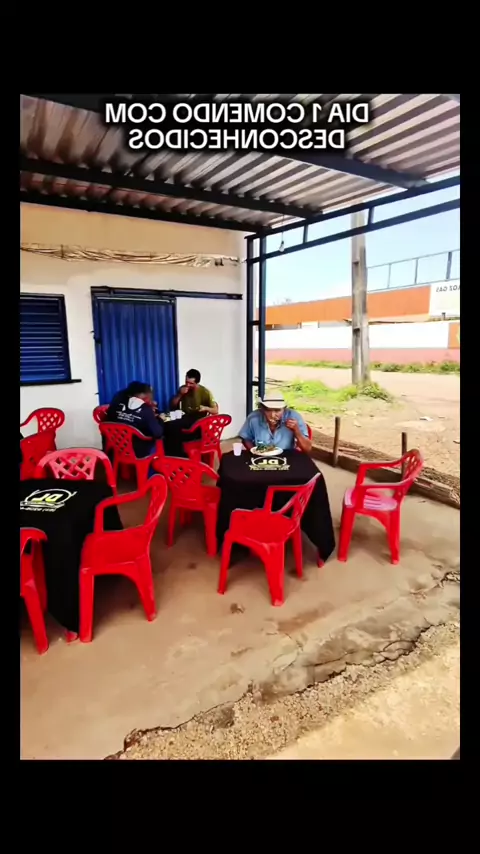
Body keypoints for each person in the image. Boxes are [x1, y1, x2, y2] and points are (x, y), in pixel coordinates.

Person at [105, 381, 164, 458]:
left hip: (115, 448)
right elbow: (157, 433)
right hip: (136, 452)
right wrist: (160, 419)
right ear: (145, 396)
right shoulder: (146, 410)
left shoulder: (116, 404)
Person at [239, 392, 312, 453]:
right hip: (260, 455)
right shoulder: (253, 418)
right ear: (263, 409)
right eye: (268, 410)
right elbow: (246, 438)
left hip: (286, 456)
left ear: (284, 409)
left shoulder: (294, 417)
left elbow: (307, 449)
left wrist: (296, 431)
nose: (272, 415)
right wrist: (254, 452)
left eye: (277, 410)